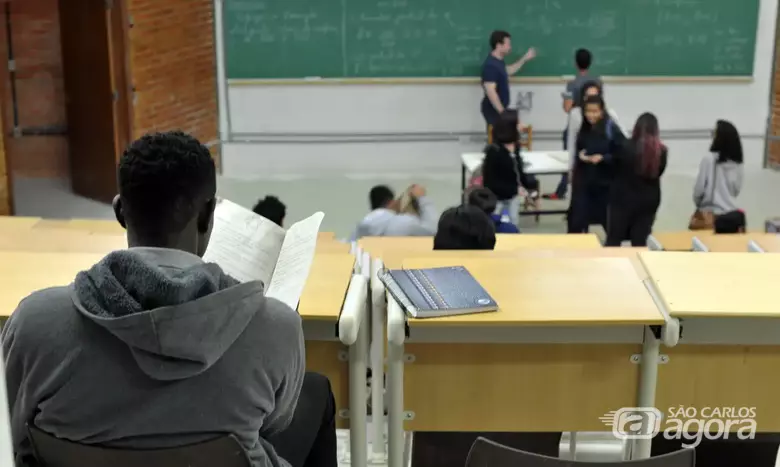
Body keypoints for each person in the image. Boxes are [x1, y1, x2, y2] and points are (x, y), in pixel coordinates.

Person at [2, 131, 337, 467]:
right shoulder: (274, 326)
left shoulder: (34, 322)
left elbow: (17, 432)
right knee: (314, 393)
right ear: (208, 217)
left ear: (120, 211)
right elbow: (274, 424)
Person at [546, 49, 603, 200]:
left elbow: (567, 108)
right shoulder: (598, 81)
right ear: (590, 62)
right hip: (595, 128)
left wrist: (565, 99)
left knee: (569, 157)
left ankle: (562, 190)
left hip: (576, 126)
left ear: (575, 63)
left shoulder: (572, 84)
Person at [605, 113, 668, 246]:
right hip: (648, 202)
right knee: (640, 242)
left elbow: (614, 169)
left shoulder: (624, 147)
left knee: (614, 240)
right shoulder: (662, 152)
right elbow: (659, 173)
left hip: (622, 201)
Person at [568, 95, 625, 234]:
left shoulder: (610, 128)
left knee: (609, 225)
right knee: (576, 221)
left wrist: (603, 158)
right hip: (585, 182)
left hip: (604, 185)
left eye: (595, 111)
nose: (591, 115)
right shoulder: (584, 127)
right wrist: (581, 156)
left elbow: (622, 153)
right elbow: (579, 146)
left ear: (602, 111)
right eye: (588, 111)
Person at [481, 30, 536, 141]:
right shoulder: (490, 65)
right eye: (507, 44)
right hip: (494, 111)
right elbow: (491, 92)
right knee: (498, 142)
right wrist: (503, 113)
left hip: (500, 111)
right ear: (498, 45)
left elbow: (509, 70)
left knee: (505, 140)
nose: (509, 47)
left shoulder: (498, 62)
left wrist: (524, 59)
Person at [692, 120, 744, 229]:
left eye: (714, 133)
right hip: (730, 216)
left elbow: (699, 189)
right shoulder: (737, 163)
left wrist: (699, 203)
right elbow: (736, 191)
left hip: (709, 214)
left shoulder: (708, 159)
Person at [352, 183, 438, 239]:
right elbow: (433, 230)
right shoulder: (405, 223)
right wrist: (422, 199)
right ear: (392, 202)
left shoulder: (361, 226)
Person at [482, 112, 523, 226]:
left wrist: (528, 187)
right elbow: (489, 182)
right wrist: (514, 188)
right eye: (518, 123)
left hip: (512, 197)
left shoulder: (516, 147)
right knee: (495, 225)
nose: (522, 126)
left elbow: (518, 171)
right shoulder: (494, 151)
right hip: (497, 199)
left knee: (513, 223)